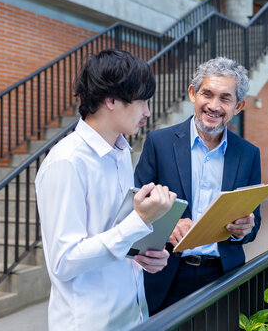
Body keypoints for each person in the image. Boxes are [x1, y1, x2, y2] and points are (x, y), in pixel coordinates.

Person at [35, 49, 177, 331]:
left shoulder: (121, 152)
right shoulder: (67, 162)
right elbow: (65, 261)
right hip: (91, 322)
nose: (148, 112)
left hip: (133, 313)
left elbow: (112, 235)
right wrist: (139, 221)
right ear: (110, 100)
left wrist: (143, 257)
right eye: (142, 101)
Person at [134, 57, 262, 314]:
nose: (214, 106)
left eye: (225, 98)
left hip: (225, 276)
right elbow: (135, 206)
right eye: (207, 94)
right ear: (193, 94)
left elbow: (254, 222)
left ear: (238, 106)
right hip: (168, 275)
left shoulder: (249, 154)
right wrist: (166, 225)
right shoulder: (159, 143)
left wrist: (243, 229)